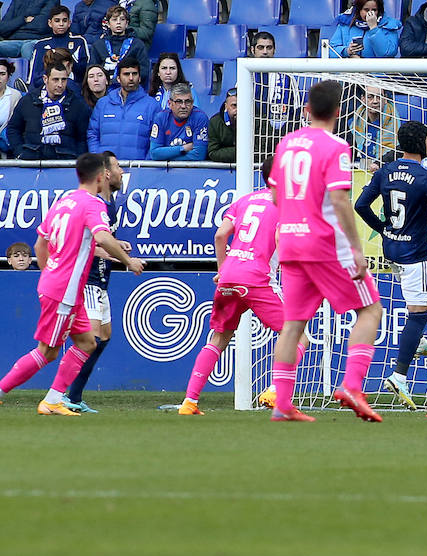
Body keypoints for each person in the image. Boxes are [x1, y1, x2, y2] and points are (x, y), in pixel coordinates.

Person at [269, 80, 384, 422]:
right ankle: (352, 385)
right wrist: (356, 247)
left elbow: (276, 196)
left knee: (292, 324)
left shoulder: (286, 144)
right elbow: (338, 198)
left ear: (306, 109)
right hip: (324, 244)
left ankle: (283, 404)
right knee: (370, 309)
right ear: (338, 112)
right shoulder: (336, 146)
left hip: (289, 240)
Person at [0, 153, 144, 414]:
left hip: (64, 287)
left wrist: (48, 274)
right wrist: (128, 261)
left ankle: (53, 401)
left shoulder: (64, 201)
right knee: (47, 351)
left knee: (88, 343)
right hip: (64, 291)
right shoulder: (93, 204)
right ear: (100, 177)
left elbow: (39, 244)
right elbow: (102, 236)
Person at [355, 120, 427, 409]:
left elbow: (360, 206)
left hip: (391, 249)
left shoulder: (385, 172)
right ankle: (399, 375)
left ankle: (416, 343)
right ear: (420, 143)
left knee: (413, 308)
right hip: (415, 255)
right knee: (419, 314)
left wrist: (382, 228)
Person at [177, 152, 290, 414]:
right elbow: (282, 242)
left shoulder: (243, 201)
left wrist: (222, 268)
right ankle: (275, 391)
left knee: (219, 338)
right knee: (297, 335)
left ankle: (189, 402)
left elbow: (220, 235)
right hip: (258, 278)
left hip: (230, 276)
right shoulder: (285, 204)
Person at [63, 157, 123, 412]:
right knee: (92, 339)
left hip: (101, 280)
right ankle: (62, 394)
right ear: (106, 174)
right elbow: (84, 242)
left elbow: (101, 240)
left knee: (105, 337)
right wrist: (121, 256)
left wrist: (116, 247)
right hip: (88, 279)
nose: (122, 171)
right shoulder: (95, 204)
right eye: (118, 167)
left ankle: (74, 396)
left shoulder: (111, 204)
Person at [5, 56, 87, 159]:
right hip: (31, 162)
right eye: (55, 80)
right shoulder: (28, 101)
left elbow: (83, 139)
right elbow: (13, 129)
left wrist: (77, 159)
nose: (60, 84)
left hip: (65, 164)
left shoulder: (78, 105)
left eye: (64, 80)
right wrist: (20, 152)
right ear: (45, 79)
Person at [87, 56, 159, 160]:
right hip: (107, 169)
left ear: (139, 78)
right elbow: (93, 134)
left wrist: (145, 166)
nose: (131, 78)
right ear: (118, 78)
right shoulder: (103, 104)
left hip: (138, 170)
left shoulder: (152, 105)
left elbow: (156, 140)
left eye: (134, 74)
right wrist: (98, 158)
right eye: (126, 74)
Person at [28, 5, 100, 89]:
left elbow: (85, 71)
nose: (61, 24)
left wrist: (68, 60)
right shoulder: (41, 45)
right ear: (50, 23)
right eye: (57, 21)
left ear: (69, 23)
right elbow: (34, 76)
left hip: (73, 87)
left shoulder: (79, 41)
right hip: (46, 87)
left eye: (64, 20)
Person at [248, 31, 300, 147]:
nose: (265, 52)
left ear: (274, 50)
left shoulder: (287, 78)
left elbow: (296, 111)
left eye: (269, 48)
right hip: (251, 136)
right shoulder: (245, 77)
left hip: (281, 137)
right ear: (253, 50)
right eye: (260, 48)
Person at [149, 83, 209, 161]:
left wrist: (166, 157)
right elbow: (154, 154)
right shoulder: (161, 118)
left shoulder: (200, 118)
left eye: (187, 101)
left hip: (192, 171)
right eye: (179, 101)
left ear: (192, 103)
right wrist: (183, 148)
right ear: (170, 104)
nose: (183, 106)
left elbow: (199, 155)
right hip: (165, 172)